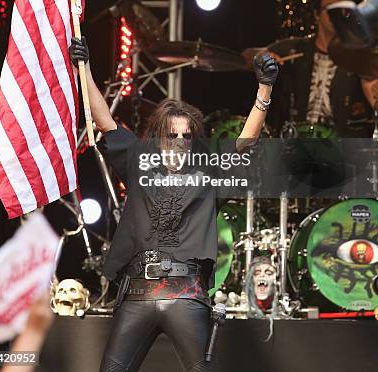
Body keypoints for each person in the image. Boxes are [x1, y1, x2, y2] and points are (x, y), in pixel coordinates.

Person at [69, 37, 278, 372]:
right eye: (172, 134)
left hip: (186, 293)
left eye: (186, 135)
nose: (180, 141)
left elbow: (245, 142)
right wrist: (86, 68)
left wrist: (264, 90)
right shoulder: (139, 159)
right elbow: (105, 120)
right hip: (138, 293)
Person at [268, 0, 378, 138]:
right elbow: (250, 56)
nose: (337, 14)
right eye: (330, 9)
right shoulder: (295, 47)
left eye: (342, 10)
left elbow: (372, 89)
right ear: (317, 14)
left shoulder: (358, 55)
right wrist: (262, 58)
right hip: (293, 144)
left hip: (340, 149)